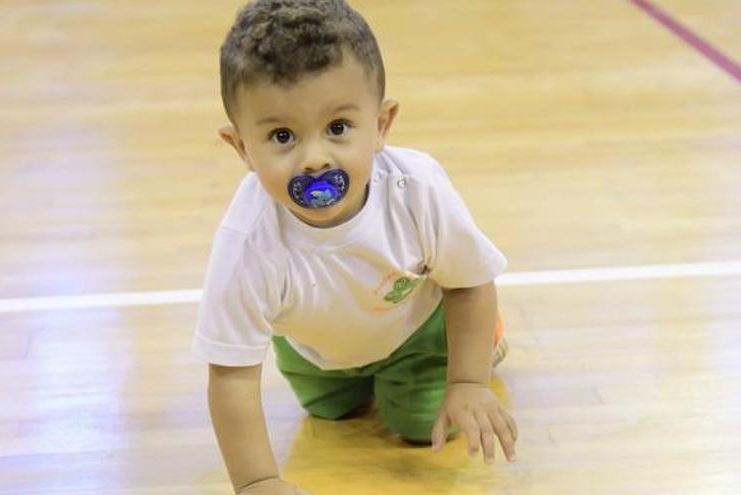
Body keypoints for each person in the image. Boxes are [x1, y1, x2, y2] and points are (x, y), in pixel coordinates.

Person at [192, 1, 517, 493]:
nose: (316, 160)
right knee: (331, 411)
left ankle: (483, 342)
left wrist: (467, 383)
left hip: (413, 329)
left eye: (338, 128)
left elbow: (469, 282)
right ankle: (347, 378)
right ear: (242, 148)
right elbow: (232, 374)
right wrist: (256, 481)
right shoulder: (247, 242)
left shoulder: (416, 189)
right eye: (282, 135)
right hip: (314, 346)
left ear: (382, 124)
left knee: (419, 422)